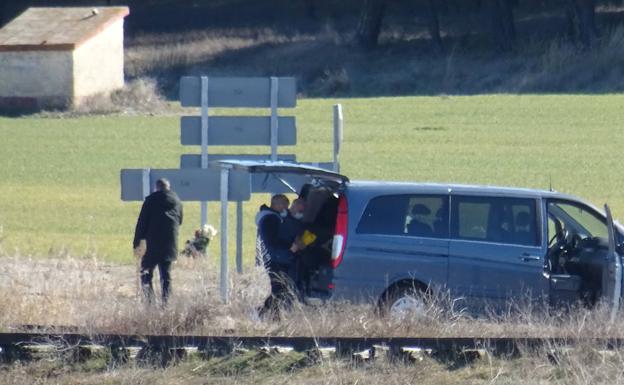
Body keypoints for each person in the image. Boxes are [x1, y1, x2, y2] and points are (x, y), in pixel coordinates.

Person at [133, 178, 183, 305]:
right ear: (168, 187)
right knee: (166, 276)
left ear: (157, 188)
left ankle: (150, 303)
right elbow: (180, 220)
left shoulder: (151, 201)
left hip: (152, 244)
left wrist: (137, 242)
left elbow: (142, 223)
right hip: (170, 243)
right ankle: (166, 304)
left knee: (146, 274)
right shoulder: (177, 201)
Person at [255, 194, 296, 319]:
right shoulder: (271, 219)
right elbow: (272, 241)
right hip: (276, 258)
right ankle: (262, 312)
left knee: (279, 289)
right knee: (280, 289)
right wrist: (289, 248)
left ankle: (274, 315)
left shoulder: (268, 216)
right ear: (277, 204)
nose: (286, 208)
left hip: (272, 257)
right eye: (284, 205)